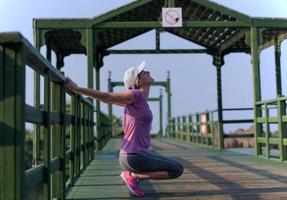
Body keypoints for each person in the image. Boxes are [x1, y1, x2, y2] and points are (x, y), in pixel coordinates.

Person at [66, 61, 183, 196]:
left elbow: (107, 100)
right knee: (177, 169)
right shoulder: (135, 95)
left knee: (176, 169)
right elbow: (106, 96)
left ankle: (132, 175)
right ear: (138, 80)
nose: (148, 72)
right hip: (134, 156)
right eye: (143, 72)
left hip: (130, 156)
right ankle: (133, 176)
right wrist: (77, 89)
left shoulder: (139, 101)